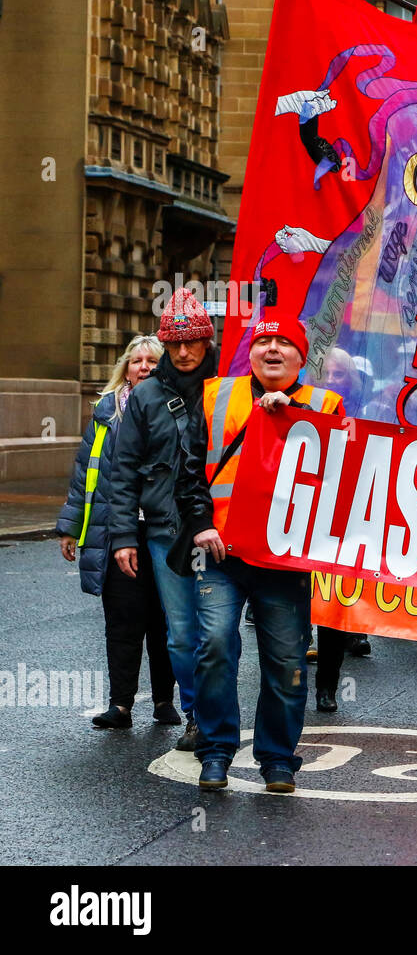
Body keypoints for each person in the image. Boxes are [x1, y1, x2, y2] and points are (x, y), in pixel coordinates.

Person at [175, 317, 344, 793]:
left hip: (284, 561)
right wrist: (201, 524)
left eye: (284, 343)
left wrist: (295, 416)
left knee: (287, 659)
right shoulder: (214, 396)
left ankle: (277, 759)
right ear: (250, 354)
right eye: (263, 341)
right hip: (219, 551)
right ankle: (215, 752)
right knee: (213, 647)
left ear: (301, 356)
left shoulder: (325, 405)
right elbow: (188, 471)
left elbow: (343, 473)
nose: (272, 349)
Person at [108, 290, 218, 751]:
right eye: (176, 344)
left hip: (222, 532)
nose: (185, 352)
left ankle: (215, 715)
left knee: (216, 635)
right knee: (180, 635)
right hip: (163, 533)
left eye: (193, 342)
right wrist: (120, 537)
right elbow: (123, 467)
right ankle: (196, 715)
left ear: (207, 342)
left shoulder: (229, 386)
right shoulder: (147, 395)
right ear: (166, 345)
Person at [58, 335, 177, 729]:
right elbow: (83, 476)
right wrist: (70, 527)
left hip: (162, 531)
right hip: (116, 531)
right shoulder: (105, 413)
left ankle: (164, 701)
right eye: (135, 360)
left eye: (151, 361)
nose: (143, 366)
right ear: (124, 369)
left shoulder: (177, 408)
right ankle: (121, 705)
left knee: (165, 621)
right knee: (123, 621)